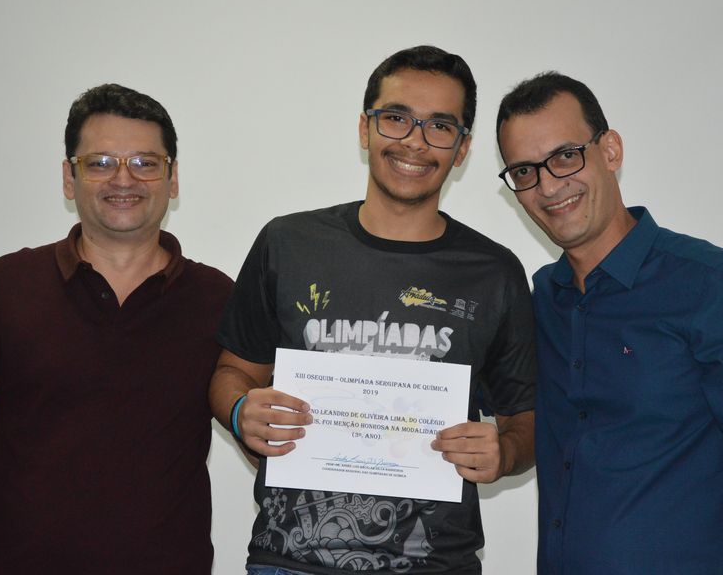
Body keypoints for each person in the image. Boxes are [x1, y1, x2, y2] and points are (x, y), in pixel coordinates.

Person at [211, 45, 536, 575]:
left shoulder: (494, 272)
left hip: (436, 564)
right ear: (365, 128)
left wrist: (505, 451)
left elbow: (527, 419)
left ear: (462, 148)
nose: (415, 141)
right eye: (396, 118)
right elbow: (231, 372)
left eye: (440, 126)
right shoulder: (288, 243)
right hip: (288, 561)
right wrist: (240, 410)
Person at [495, 72, 723, 574]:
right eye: (524, 171)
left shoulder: (712, 285)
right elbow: (507, 412)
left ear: (610, 150)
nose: (549, 185)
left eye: (565, 156)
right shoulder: (542, 300)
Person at [0, 84, 232, 574]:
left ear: (173, 178)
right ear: (68, 179)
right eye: (100, 163)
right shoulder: (3, 288)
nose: (124, 178)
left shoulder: (218, 299)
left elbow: (264, 425)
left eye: (145, 162)